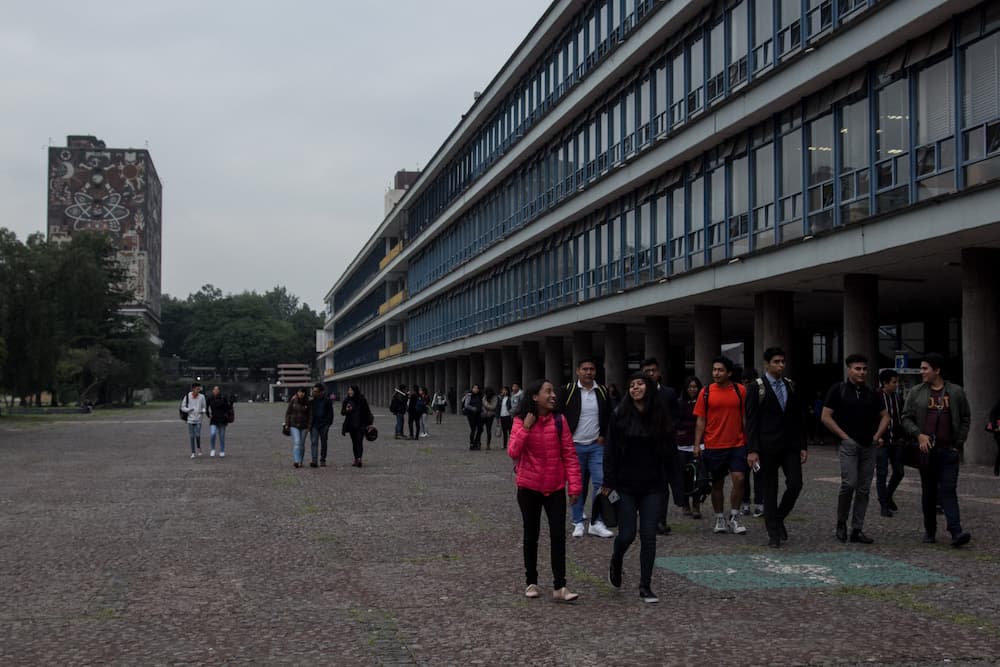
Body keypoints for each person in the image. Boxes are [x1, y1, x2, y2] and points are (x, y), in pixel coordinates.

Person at [508, 378, 582, 602]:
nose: (553, 396)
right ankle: (531, 582)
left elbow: (569, 454)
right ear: (534, 396)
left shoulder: (559, 421)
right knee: (531, 535)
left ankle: (560, 586)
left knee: (558, 535)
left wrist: (575, 486)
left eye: (553, 392)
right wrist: (527, 428)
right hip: (528, 488)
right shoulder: (521, 420)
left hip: (555, 487)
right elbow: (513, 451)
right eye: (547, 392)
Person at [604, 372, 674, 603]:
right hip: (625, 485)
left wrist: (675, 482)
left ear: (649, 387)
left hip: (653, 485)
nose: (635, 388)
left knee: (649, 537)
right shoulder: (619, 415)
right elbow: (611, 451)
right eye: (631, 385)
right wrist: (608, 481)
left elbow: (669, 451)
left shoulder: (660, 415)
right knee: (626, 535)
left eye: (640, 384)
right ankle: (616, 558)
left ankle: (645, 585)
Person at [901, 353, 971, 548]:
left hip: (949, 451)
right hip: (926, 451)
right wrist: (918, 434)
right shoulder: (916, 392)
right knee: (929, 492)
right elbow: (905, 417)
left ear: (937, 370)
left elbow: (965, 418)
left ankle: (956, 531)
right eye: (921, 368)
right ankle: (930, 530)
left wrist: (959, 443)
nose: (921, 372)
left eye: (925, 368)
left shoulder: (956, 392)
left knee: (949, 490)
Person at [821, 354, 889, 544]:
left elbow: (885, 416)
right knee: (849, 483)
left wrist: (877, 436)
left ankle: (857, 529)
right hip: (849, 445)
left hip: (869, 446)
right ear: (849, 369)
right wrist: (844, 437)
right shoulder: (838, 390)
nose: (861, 372)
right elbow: (825, 416)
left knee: (864, 489)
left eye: (864, 369)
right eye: (857, 368)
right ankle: (841, 522)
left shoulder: (872, 393)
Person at [746, 348, 807, 548]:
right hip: (766, 447)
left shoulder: (791, 386)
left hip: (790, 445)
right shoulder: (757, 387)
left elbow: (798, 418)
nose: (781, 365)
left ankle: (779, 517)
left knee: (796, 484)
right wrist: (752, 450)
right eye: (776, 362)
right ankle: (773, 532)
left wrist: (802, 445)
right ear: (766, 364)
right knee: (770, 490)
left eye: (782, 361)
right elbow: (752, 421)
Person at [558, 358, 614, 539]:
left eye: (591, 369)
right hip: (573, 446)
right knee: (577, 486)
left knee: (601, 481)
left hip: (596, 445)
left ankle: (597, 522)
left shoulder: (602, 391)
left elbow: (609, 416)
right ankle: (577, 521)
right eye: (585, 369)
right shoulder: (568, 391)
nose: (588, 372)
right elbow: (557, 416)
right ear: (577, 371)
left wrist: (603, 435)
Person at [693, 357, 749, 536]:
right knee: (717, 484)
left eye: (720, 370)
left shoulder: (740, 391)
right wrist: (697, 444)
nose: (716, 373)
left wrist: (751, 442)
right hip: (714, 444)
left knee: (740, 479)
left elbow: (745, 417)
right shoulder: (706, 392)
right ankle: (719, 517)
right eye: (714, 369)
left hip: (737, 443)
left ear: (729, 373)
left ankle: (734, 516)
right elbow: (701, 419)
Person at [640, 357, 681, 534]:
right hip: (643, 447)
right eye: (647, 371)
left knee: (662, 485)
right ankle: (646, 519)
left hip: (664, 447)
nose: (650, 374)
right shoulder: (636, 392)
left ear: (659, 373)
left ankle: (660, 520)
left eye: (653, 370)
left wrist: (665, 430)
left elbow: (676, 417)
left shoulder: (669, 393)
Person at [876, 369, 905, 517]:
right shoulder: (876, 397)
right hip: (881, 441)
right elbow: (869, 418)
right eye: (894, 382)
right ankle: (884, 505)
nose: (896, 385)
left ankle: (887, 495)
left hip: (896, 441)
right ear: (885, 383)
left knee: (899, 471)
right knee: (882, 473)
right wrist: (876, 436)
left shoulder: (898, 397)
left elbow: (902, 417)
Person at [675, 375, 704, 518]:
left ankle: (696, 504)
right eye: (690, 387)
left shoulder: (703, 402)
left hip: (699, 444)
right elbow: (677, 423)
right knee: (684, 476)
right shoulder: (679, 403)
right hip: (682, 445)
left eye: (695, 386)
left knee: (697, 476)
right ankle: (685, 503)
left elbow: (703, 421)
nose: (692, 389)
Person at [740, 369, 764, 517]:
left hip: (753, 441)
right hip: (744, 441)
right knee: (745, 474)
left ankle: (757, 503)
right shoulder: (741, 395)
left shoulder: (758, 396)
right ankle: (749, 503)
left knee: (757, 473)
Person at [341, 385, 375, 467]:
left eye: (351, 390)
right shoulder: (346, 400)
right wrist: (347, 410)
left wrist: (369, 424)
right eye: (349, 390)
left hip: (361, 425)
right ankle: (356, 458)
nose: (350, 392)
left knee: (359, 442)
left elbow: (367, 411)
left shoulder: (362, 399)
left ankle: (359, 459)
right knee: (354, 443)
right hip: (351, 425)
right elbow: (342, 412)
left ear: (355, 391)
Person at [284, 388, 311, 469]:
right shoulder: (293, 401)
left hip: (304, 426)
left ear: (305, 393)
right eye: (299, 392)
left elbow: (310, 415)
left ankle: (300, 461)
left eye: (303, 392)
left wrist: (309, 426)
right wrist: (287, 424)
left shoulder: (308, 402)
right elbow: (288, 413)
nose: (301, 394)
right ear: (297, 393)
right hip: (294, 425)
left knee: (302, 444)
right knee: (297, 442)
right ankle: (296, 461)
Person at [309, 383, 334, 468]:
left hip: (324, 425)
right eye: (313, 391)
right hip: (314, 425)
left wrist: (328, 424)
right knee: (314, 442)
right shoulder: (311, 401)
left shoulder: (327, 401)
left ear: (321, 392)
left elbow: (331, 414)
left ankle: (323, 459)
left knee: (324, 442)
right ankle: (314, 460)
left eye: (315, 391)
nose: (313, 392)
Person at [181, 382, 208, 458]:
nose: (198, 390)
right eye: (197, 388)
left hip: (198, 419)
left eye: (199, 389)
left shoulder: (202, 397)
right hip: (190, 419)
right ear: (193, 389)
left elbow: (204, 407)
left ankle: (199, 448)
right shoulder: (187, 396)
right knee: (192, 436)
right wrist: (189, 410)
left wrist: (202, 411)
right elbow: (182, 407)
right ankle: (193, 452)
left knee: (197, 434)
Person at [206, 385, 232, 458]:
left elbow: (228, 407)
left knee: (222, 436)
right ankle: (212, 449)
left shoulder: (223, 398)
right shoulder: (210, 398)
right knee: (213, 434)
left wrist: (231, 403)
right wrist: (208, 414)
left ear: (219, 391)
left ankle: (222, 450)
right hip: (214, 419)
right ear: (213, 391)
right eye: (215, 390)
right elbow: (206, 406)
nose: (216, 391)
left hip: (222, 419)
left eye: (217, 390)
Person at [462, 384, 485, 449]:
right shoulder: (469, 395)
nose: (476, 389)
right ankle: (472, 443)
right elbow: (466, 405)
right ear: (472, 389)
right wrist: (473, 408)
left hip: (478, 414)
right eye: (474, 388)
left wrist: (483, 411)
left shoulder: (480, 396)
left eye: (477, 388)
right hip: (471, 415)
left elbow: (482, 404)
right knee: (473, 429)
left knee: (480, 429)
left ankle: (476, 442)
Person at [990, 399, 1000, 477]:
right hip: (998, 430)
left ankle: (996, 468)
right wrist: (994, 426)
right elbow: (992, 414)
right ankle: (996, 468)